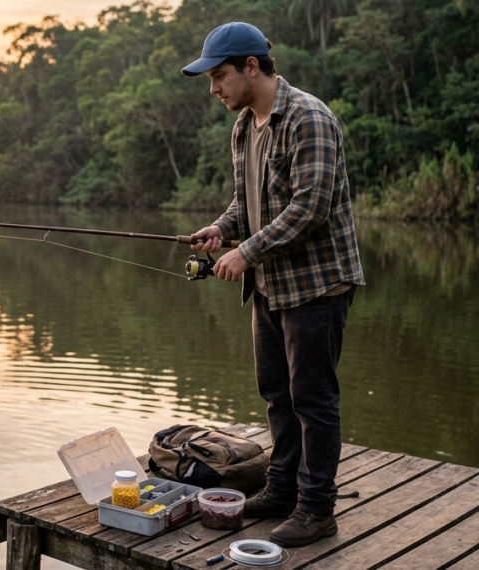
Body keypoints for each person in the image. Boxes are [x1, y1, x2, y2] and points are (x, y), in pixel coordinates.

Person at [182, 22, 365, 547]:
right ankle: (282, 488)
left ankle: (316, 510)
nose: (214, 87)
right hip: (270, 286)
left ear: (252, 67)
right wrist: (222, 229)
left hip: (318, 284)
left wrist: (246, 252)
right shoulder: (244, 126)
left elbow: (310, 207)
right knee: (276, 394)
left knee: (313, 399)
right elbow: (248, 202)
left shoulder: (309, 117)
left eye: (219, 76)